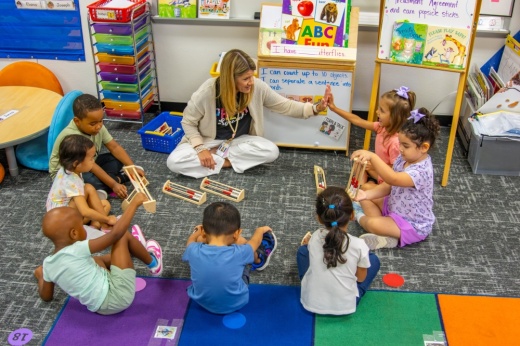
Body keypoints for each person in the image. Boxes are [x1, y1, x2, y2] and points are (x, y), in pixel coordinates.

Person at [166, 49, 329, 178]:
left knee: (271, 151)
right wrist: (200, 148)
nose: (251, 82)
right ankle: (222, 160)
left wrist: (316, 108)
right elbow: (188, 122)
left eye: (252, 76)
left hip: (238, 143)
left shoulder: (256, 87)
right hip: (207, 141)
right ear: (231, 79)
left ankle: (220, 162)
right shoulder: (207, 92)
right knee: (174, 162)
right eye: (246, 78)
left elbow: (285, 106)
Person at [34, 192, 164, 315]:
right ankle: (153, 263)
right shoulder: (77, 249)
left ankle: (131, 249)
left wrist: (42, 276)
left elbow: (46, 297)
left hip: (100, 308)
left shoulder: (49, 264)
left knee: (95, 259)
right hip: (119, 296)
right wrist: (134, 204)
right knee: (122, 236)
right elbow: (116, 234)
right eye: (82, 225)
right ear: (74, 233)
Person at [350, 107, 440, 250]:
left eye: (405, 145)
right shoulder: (403, 158)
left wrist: (372, 157)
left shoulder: (421, 171)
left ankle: (360, 216)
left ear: (424, 147)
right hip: (394, 206)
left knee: (372, 223)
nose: (401, 148)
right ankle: (387, 235)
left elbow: (393, 179)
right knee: (365, 189)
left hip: (411, 223)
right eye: (400, 143)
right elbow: (388, 186)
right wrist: (366, 195)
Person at [297, 186, 380, 315]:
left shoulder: (315, 237)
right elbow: (360, 279)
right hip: (346, 305)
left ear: (319, 218)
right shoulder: (359, 245)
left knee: (303, 251)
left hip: (310, 302)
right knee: (373, 260)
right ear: (352, 215)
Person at [182, 202, 277, 314]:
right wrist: (260, 230)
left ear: (203, 231)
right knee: (245, 247)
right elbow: (254, 242)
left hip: (202, 302)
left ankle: (209, 238)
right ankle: (260, 260)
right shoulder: (240, 252)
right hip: (237, 302)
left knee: (198, 241)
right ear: (237, 233)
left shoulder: (192, 249)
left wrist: (196, 233)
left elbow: (190, 242)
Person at [49, 94, 144, 199]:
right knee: (93, 184)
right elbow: (92, 166)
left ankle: (109, 182)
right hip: (69, 174)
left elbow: (114, 147)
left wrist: (132, 168)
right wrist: (114, 184)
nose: (99, 126)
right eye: (93, 123)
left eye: (101, 121)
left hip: (88, 163)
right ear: (77, 121)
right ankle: (120, 178)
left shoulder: (98, 126)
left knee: (116, 158)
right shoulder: (72, 137)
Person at [328, 86, 416, 188]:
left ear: (394, 117)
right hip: (379, 171)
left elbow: (394, 172)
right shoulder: (381, 127)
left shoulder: (395, 142)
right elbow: (358, 121)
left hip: (387, 181)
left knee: (367, 186)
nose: (377, 112)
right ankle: (357, 189)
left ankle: (364, 191)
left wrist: (374, 165)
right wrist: (334, 108)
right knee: (359, 160)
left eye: (382, 111)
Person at [46, 134, 117, 230]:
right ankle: (98, 225)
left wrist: (103, 218)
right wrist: (107, 220)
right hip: (62, 223)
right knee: (92, 195)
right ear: (76, 163)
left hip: (61, 213)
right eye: (91, 159)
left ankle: (97, 225)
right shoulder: (72, 182)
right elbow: (84, 211)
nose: (93, 161)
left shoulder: (67, 168)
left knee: (104, 202)